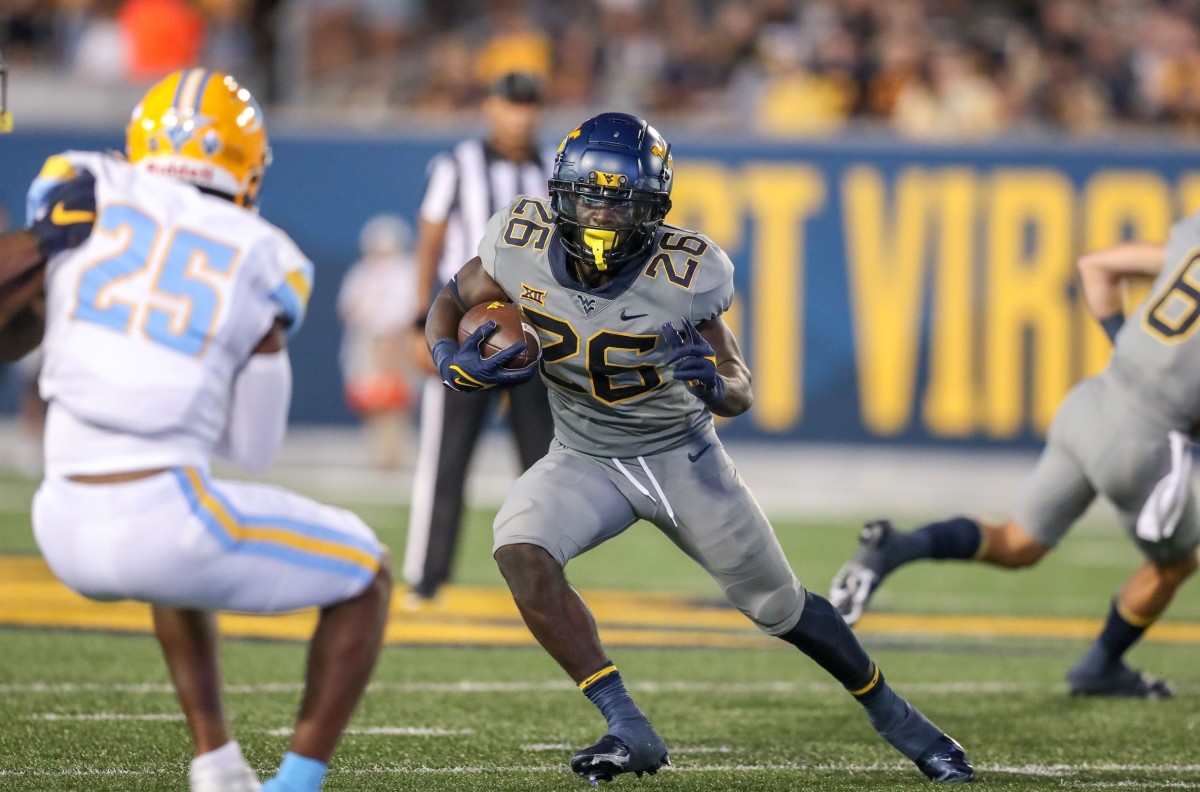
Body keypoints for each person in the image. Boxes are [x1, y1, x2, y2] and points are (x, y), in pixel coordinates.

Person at [423, 111, 973, 784]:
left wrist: (717, 386)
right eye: (588, 194)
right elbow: (451, 298)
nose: (600, 211)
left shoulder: (686, 272)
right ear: (560, 192)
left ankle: (897, 716)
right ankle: (626, 723)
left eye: (618, 197)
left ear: (651, 206)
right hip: (584, 454)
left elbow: (740, 386)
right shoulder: (519, 242)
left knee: (781, 608)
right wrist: (447, 357)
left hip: (680, 456)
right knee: (520, 551)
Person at [1, 69, 393, 792]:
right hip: (167, 516)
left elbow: (20, 315)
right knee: (367, 572)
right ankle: (293, 786)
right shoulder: (269, 255)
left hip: (59, 513)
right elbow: (253, 449)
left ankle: (216, 761)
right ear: (245, 162)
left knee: (172, 558)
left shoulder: (82, 183)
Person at [831, 238, 1198, 700]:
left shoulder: (1192, 235)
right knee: (1175, 564)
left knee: (1018, 543)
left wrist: (1126, 349)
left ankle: (897, 547)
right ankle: (1100, 666)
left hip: (1093, 401)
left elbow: (1096, 266)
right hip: (1140, 440)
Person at [403, 71, 555, 608]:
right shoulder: (456, 166)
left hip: (534, 331)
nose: (521, 115)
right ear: (491, 105)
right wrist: (421, 324)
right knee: (447, 458)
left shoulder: (550, 170)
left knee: (543, 465)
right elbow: (430, 244)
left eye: (529, 105)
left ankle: (547, 575)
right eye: (512, 104)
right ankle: (426, 577)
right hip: (467, 325)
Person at [338, 213, 416, 470]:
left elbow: (410, 309)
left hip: (397, 342)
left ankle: (394, 455)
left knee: (396, 401)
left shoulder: (406, 271)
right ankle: (378, 455)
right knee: (372, 399)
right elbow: (347, 308)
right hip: (368, 341)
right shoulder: (362, 272)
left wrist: (395, 338)